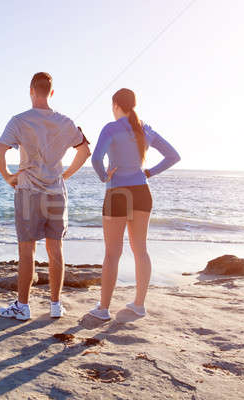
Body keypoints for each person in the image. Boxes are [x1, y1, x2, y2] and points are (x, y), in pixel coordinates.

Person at [0, 72, 91, 320]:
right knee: (55, 248)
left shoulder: (19, 121)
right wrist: (65, 175)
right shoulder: (66, 122)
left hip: (28, 191)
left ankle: (23, 306)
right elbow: (85, 152)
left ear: (31, 90)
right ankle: (55, 305)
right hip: (56, 192)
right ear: (52, 92)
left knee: (27, 252)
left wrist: (8, 176)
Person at [89, 88, 180, 320]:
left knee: (112, 253)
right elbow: (173, 156)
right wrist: (148, 172)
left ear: (116, 104)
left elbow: (96, 158)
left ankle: (103, 309)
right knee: (140, 250)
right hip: (142, 192)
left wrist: (103, 176)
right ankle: (139, 304)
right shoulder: (145, 129)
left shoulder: (111, 128)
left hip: (118, 191)